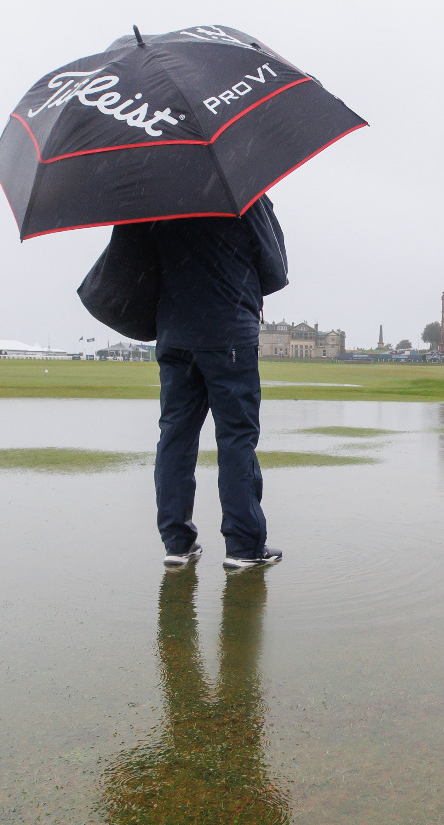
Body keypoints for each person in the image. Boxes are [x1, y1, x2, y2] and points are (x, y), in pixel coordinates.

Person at [152, 197, 289, 570]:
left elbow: (135, 265)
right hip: (228, 332)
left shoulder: (153, 194)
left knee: (175, 437)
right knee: (236, 438)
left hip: (175, 332)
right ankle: (243, 547)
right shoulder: (240, 191)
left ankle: (177, 543)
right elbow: (274, 266)